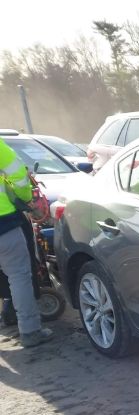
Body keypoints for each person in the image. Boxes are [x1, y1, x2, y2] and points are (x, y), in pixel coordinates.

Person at [0, 138, 53, 347]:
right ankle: (30, 331)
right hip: (4, 224)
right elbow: (19, 176)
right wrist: (24, 199)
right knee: (19, 276)